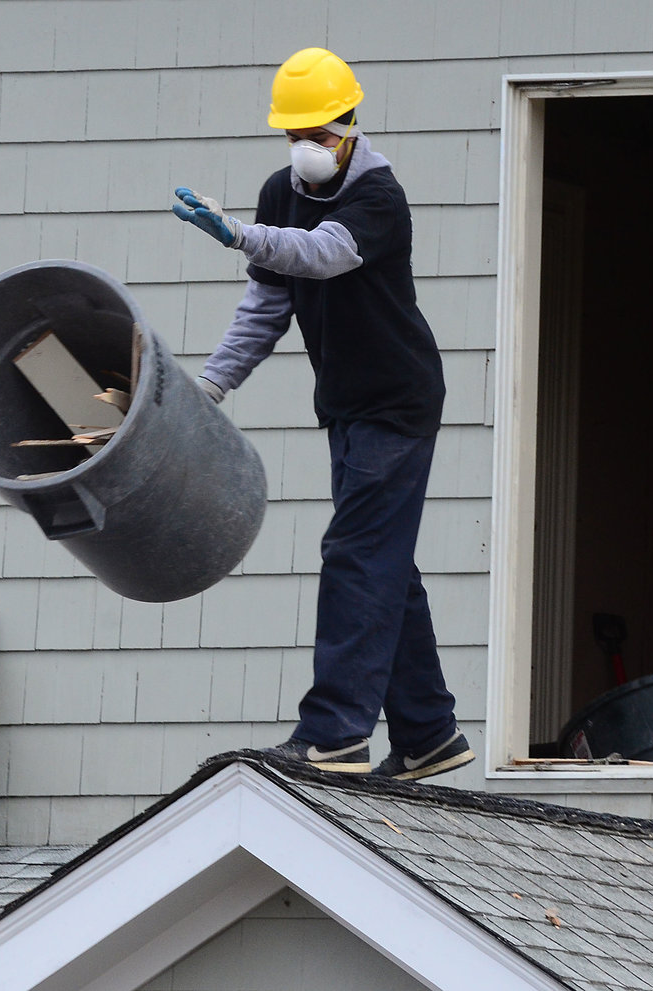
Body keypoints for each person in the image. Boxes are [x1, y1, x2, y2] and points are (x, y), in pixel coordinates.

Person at [172, 47, 473, 781]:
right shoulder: (282, 191)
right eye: (294, 134)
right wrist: (211, 388)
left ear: (349, 126)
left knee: (356, 556)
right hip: (345, 405)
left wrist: (240, 233)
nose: (306, 148)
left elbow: (321, 255)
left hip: (398, 401)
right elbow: (269, 302)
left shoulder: (378, 196)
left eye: (320, 133)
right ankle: (429, 732)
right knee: (383, 564)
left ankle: (334, 731)